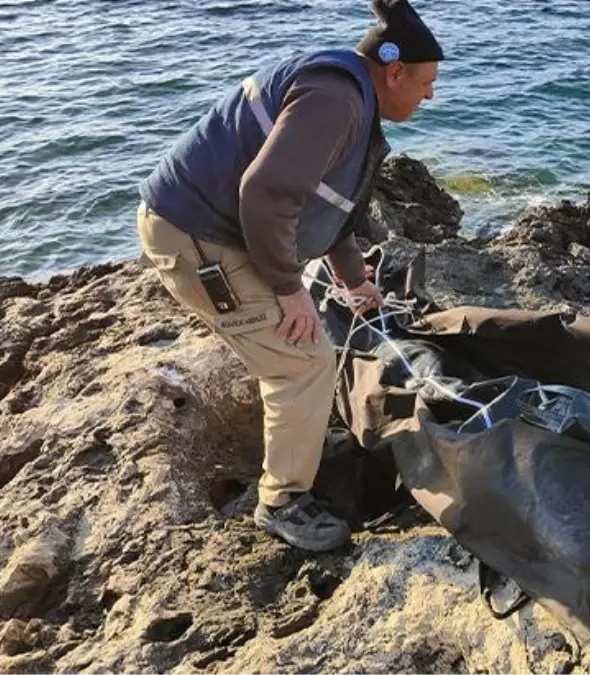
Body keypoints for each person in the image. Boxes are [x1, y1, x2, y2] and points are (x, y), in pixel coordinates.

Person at [135, 0, 442, 552]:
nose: (430, 95)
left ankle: (298, 445)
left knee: (301, 350)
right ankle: (281, 503)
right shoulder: (335, 101)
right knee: (302, 361)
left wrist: (353, 280)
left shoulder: (347, 91)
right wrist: (287, 287)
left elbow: (323, 204)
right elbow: (267, 193)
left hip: (215, 228)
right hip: (196, 239)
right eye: (425, 83)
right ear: (394, 71)